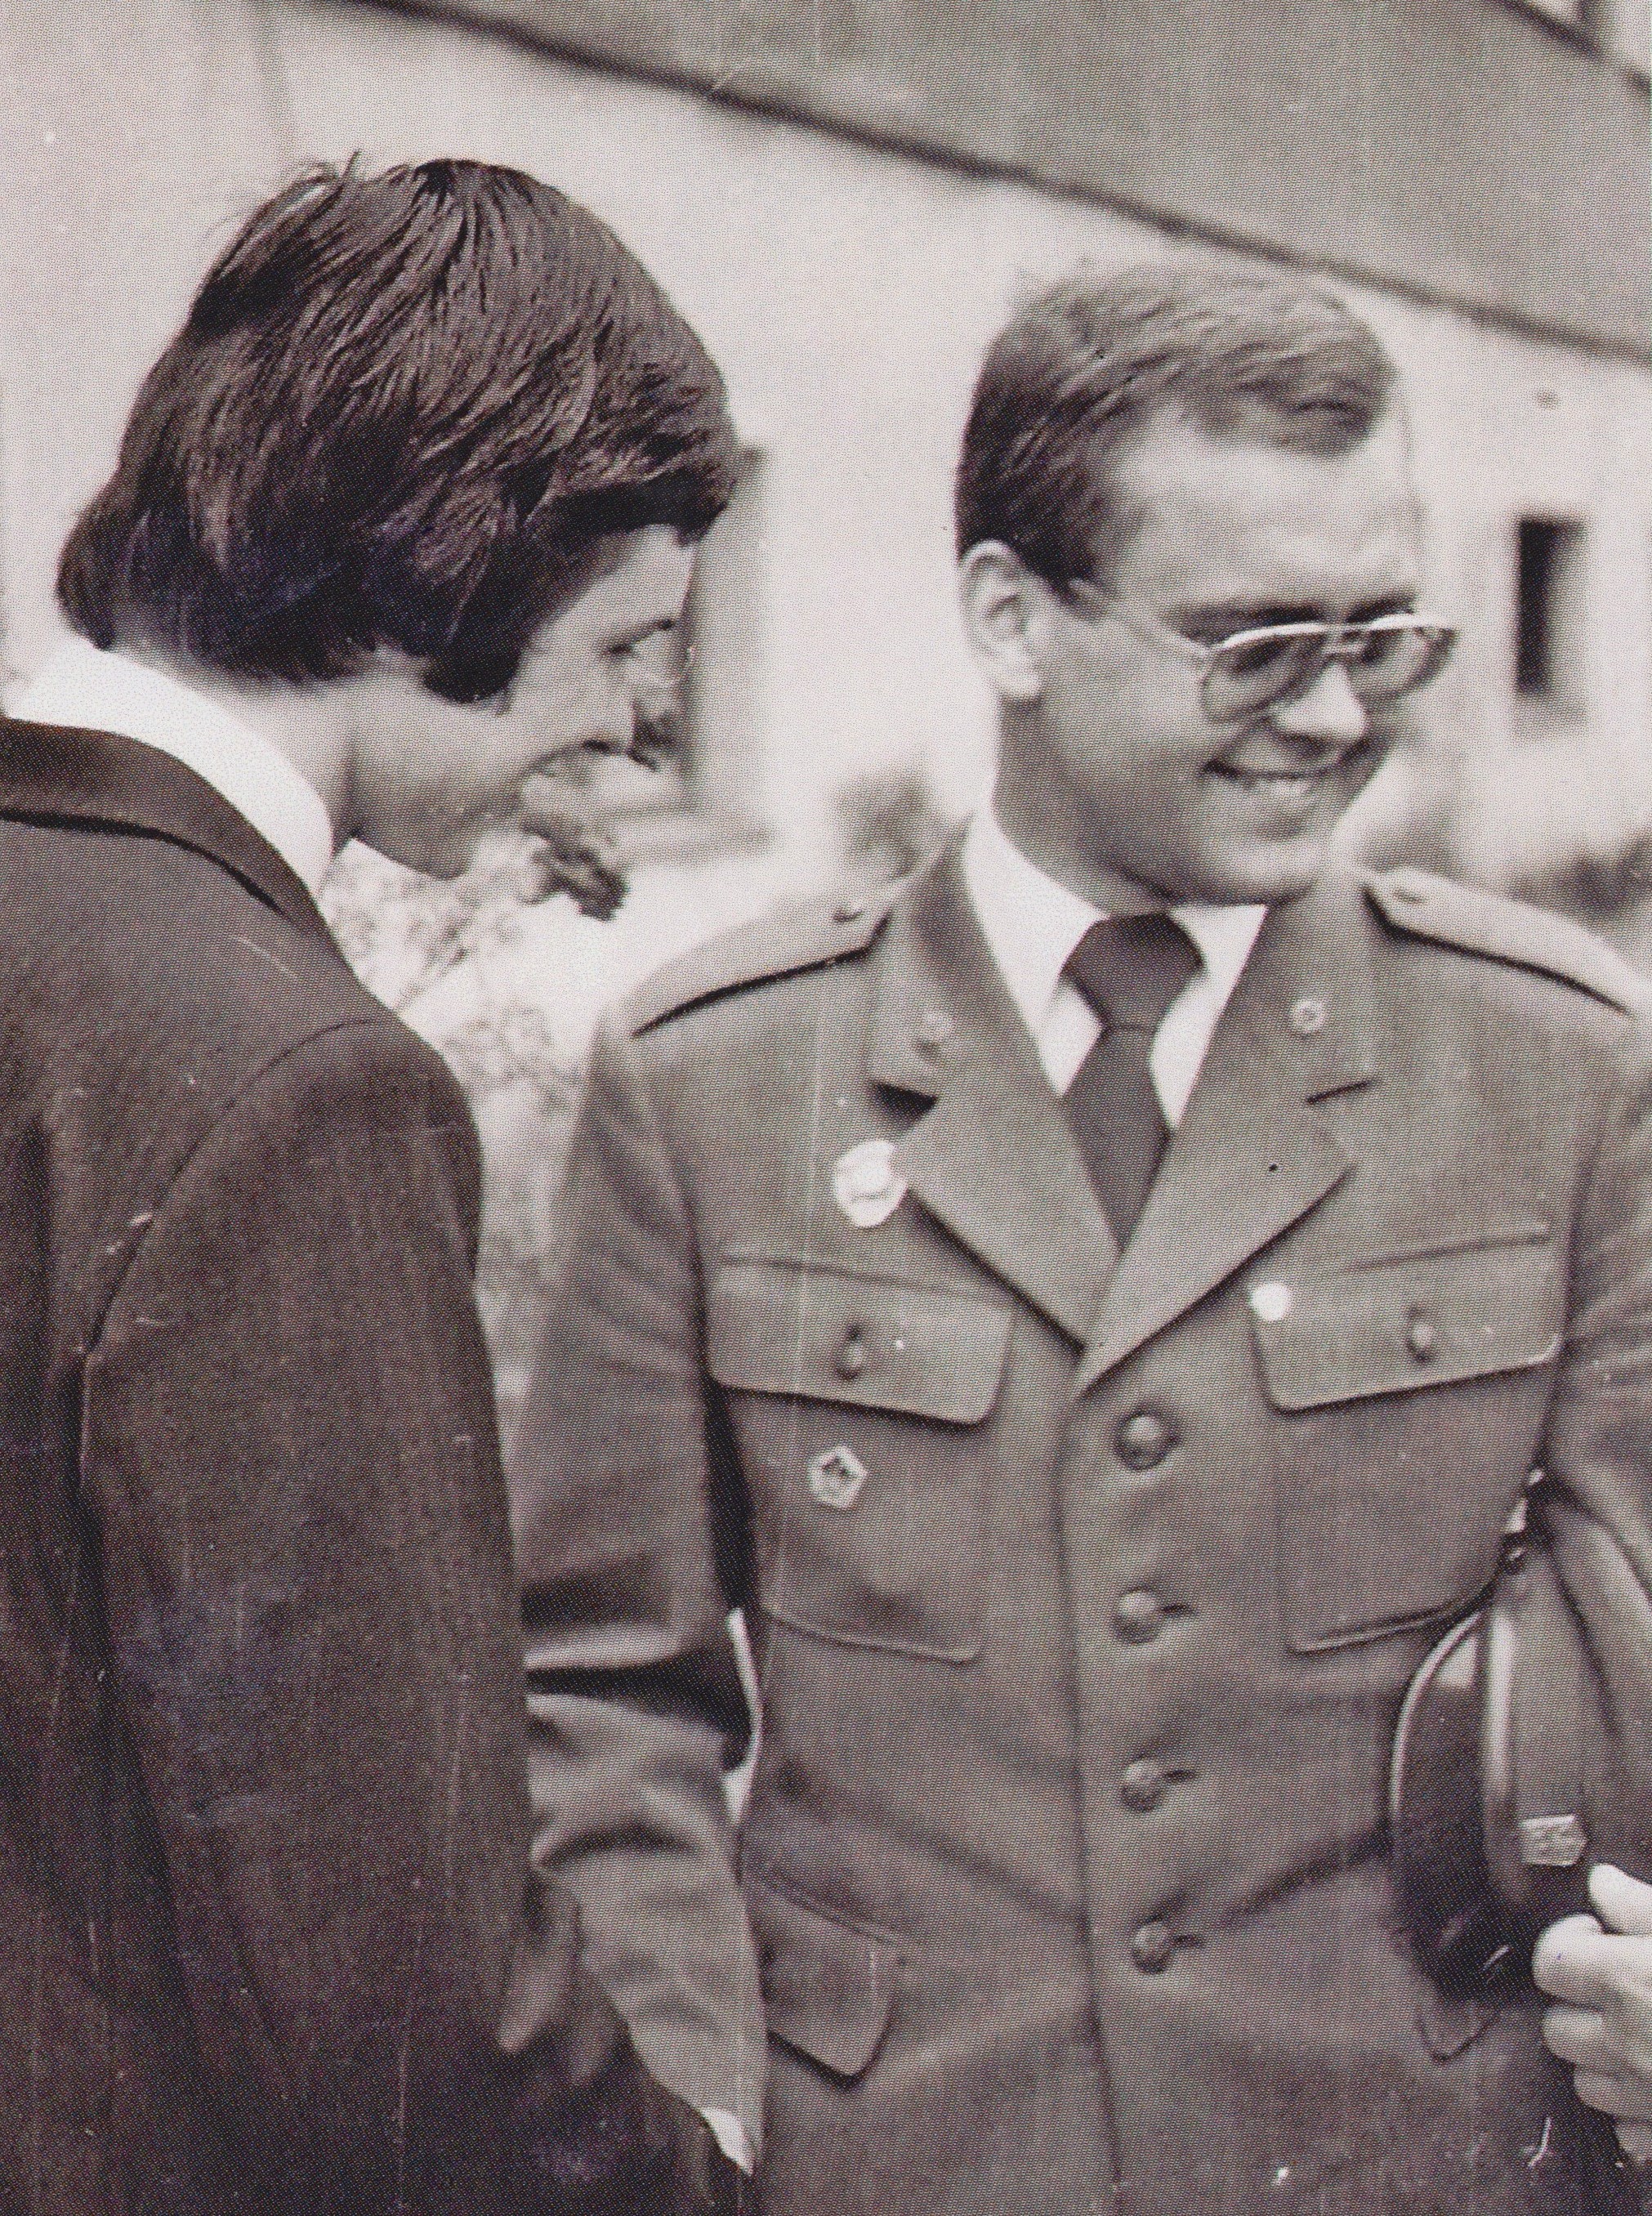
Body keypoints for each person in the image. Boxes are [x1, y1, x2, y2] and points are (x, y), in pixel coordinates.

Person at [507, 261, 1652, 2213]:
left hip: (1413, 2164)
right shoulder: (720, 1082)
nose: (1334, 713)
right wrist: (685, 2109)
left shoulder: (1559, 1069)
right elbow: (602, 1699)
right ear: (1011, 615)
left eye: (1383, 638)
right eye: (1254, 644)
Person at [0, 158, 744, 2214]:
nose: (644, 725)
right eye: (631, 640)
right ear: (444, 575)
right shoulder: (293, 1085)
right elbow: (405, 2019)